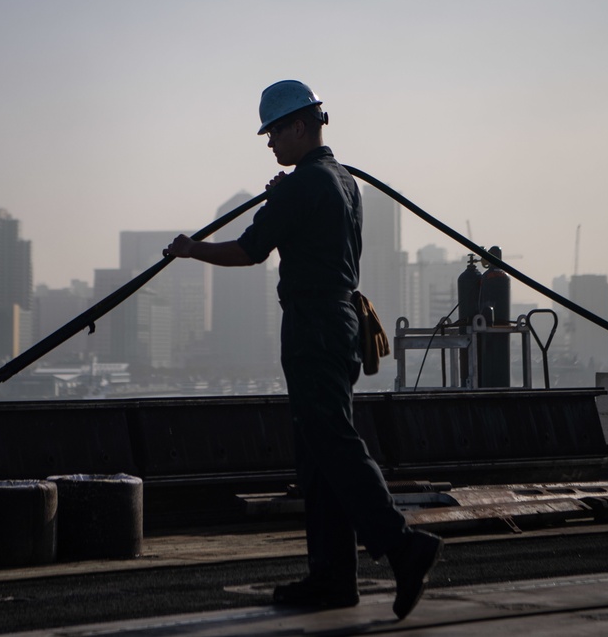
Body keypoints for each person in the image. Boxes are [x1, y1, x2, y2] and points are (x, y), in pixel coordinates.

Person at [163, 80, 442, 620]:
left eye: (273, 133)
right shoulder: (340, 182)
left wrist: (191, 250)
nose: (270, 144)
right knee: (318, 452)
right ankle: (333, 578)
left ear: (297, 126)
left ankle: (404, 546)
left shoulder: (300, 186)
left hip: (313, 323)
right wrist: (279, 195)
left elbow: (249, 250)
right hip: (340, 323)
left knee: (332, 443)